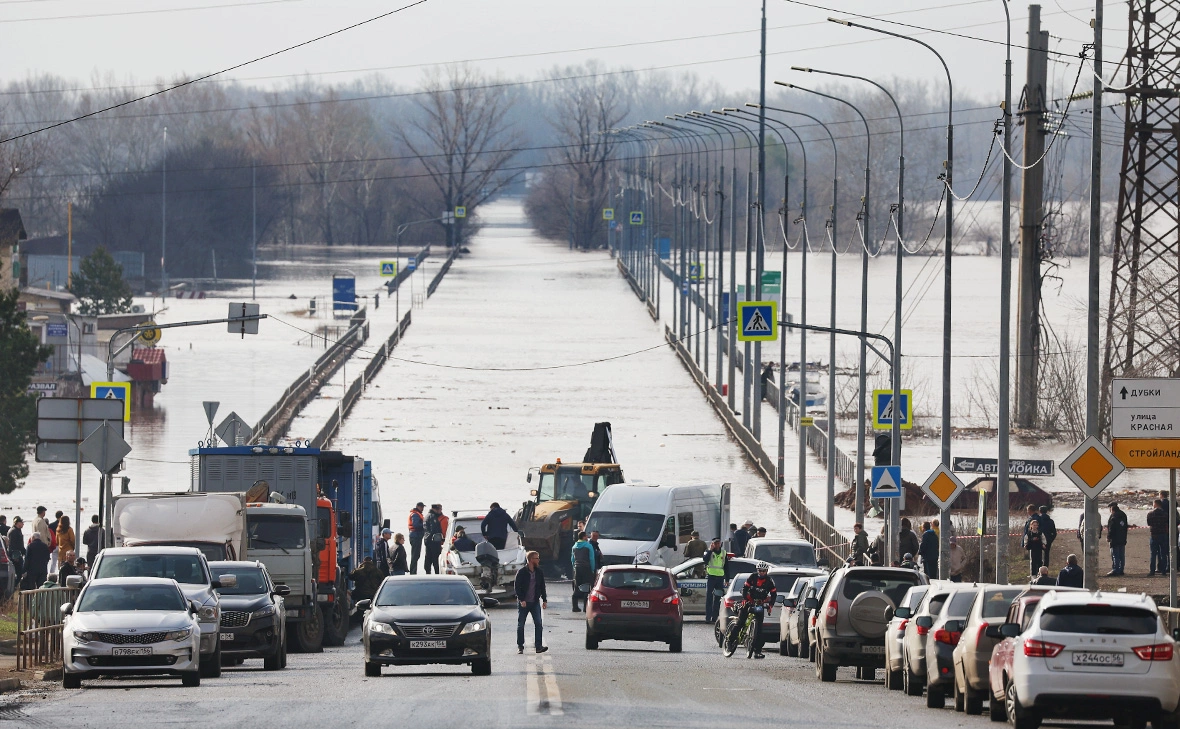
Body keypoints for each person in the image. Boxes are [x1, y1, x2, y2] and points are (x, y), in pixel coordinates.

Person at [737, 562, 777, 659]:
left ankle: (757, 651)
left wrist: (770, 606)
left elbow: (774, 595)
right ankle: (730, 640)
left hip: (759, 605)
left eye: (764, 571)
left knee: (759, 630)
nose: (762, 573)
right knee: (740, 623)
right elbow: (745, 589)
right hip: (748, 602)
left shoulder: (769, 581)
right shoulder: (752, 577)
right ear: (757, 570)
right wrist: (746, 599)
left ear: (766, 571)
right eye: (760, 571)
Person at [514, 551, 548, 654]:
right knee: (521, 625)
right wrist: (521, 599)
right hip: (524, 603)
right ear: (530, 560)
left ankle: (538, 646)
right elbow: (517, 587)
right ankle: (520, 646)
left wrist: (544, 600)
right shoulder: (522, 572)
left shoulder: (539, 572)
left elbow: (542, 586)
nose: (538, 560)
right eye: (536, 558)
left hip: (535, 602)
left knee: (538, 623)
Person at [703, 537, 727, 624]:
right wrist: (710, 550)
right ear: (712, 544)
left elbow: (726, 566)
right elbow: (705, 560)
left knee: (717, 598)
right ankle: (708, 618)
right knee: (709, 598)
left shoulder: (723, 553)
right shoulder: (708, 551)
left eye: (718, 543)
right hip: (711, 577)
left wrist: (727, 579)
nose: (717, 545)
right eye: (715, 543)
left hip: (720, 578)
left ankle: (714, 618)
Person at [570, 532, 596, 612]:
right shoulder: (588, 546)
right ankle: (585, 608)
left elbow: (572, 559)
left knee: (577, 586)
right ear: (584, 537)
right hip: (586, 568)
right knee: (587, 587)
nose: (587, 538)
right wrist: (592, 569)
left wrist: (574, 567)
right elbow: (591, 559)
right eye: (586, 536)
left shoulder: (574, 546)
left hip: (577, 568)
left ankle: (575, 607)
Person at [1106, 501, 1129, 577]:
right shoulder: (1123, 514)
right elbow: (1125, 526)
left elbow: (1111, 528)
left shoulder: (1113, 516)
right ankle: (1121, 569)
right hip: (1122, 537)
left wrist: (1109, 536)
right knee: (1121, 555)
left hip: (1115, 538)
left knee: (1115, 555)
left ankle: (1115, 569)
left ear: (1111, 508)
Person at [1148, 499, 1170, 576]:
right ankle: (1163, 570)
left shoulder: (1150, 514)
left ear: (1155, 504)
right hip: (1163, 534)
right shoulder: (1165, 514)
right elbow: (1167, 522)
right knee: (1163, 553)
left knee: (1153, 554)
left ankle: (1152, 571)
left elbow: (1149, 523)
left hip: (1154, 535)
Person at [423, 504, 446, 574]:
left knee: (428, 557)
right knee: (436, 559)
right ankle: (437, 573)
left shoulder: (426, 516)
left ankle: (428, 573)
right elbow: (434, 529)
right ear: (435, 509)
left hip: (427, 540)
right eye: (439, 509)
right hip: (433, 541)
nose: (440, 511)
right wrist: (440, 538)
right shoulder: (433, 517)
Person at [407, 502, 425, 575]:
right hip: (415, 536)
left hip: (415, 536)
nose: (422, 508)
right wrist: (424, 524)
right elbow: (416, 525)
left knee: (416, 555)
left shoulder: (416, 514)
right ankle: (413, 572)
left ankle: (413, 572)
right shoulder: (415, 515)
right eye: (421, 507)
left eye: (423, 507)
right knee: (415, 555)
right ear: (417, 506)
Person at [8, 517, 25, 586]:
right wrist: (15, 556)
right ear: (18, 523)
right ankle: (14, 586)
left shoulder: (17, 530)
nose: (23, 524)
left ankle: (14, 585)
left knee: (19, 572)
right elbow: (12, 545)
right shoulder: (14, 531)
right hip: (15, 555)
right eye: (22, 522)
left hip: (17, 554)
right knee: (19, 572)